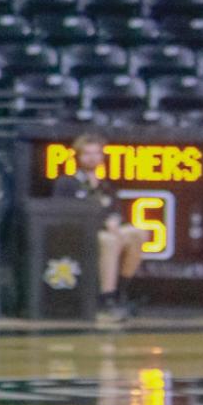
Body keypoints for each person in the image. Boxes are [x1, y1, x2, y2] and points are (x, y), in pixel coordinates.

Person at [53, 132, 143, 315]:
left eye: (96, 153)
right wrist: (103, 222)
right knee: (108, 240)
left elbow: (116, 213)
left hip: (108, 232)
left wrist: (115, 222)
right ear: (78, 156)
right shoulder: (67, 182)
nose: (92, 158)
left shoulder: (106, 186)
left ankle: (121, 291)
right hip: (79, 234)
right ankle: (106, 299)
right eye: (87, 153)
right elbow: (62, 212)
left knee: (138, 233)